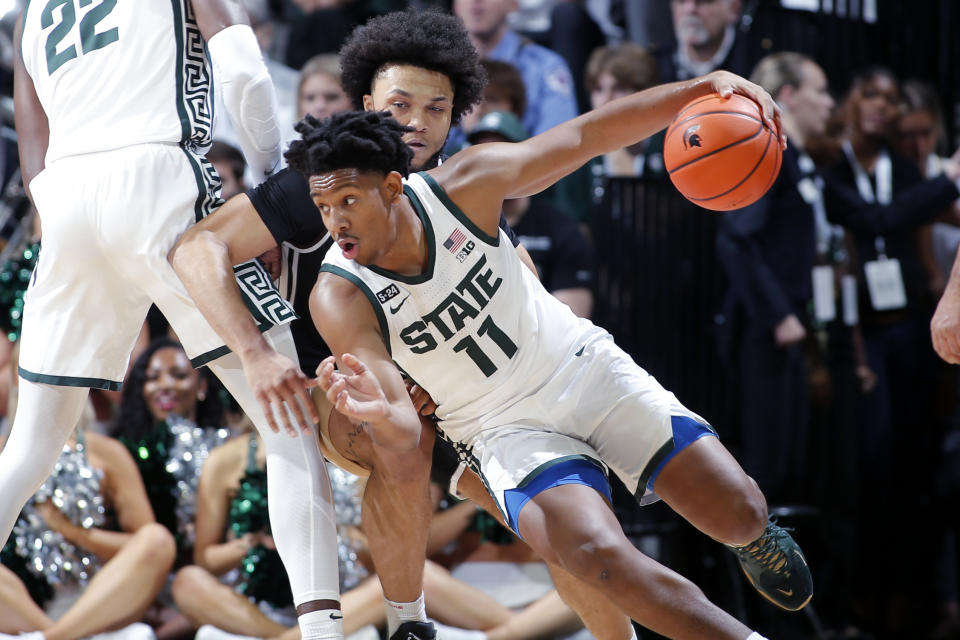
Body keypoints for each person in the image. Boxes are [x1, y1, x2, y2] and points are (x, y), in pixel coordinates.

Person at [301, 77, 812, 640]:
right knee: (594, 554)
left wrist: (696, 91)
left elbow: (586, 137)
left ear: (393, 187)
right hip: (500, 429)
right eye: (323, 206)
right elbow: (402, 433)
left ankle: (756, 534)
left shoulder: (467, 183)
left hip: (581, 367)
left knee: (738, 511)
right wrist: (376, 413)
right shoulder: (338, 295)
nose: (335, 222)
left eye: (348, 200)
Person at [3, 3, 350, 640]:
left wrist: (56, 208)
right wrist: (271, 178)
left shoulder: (30, 9)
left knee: (27, 448)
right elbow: (243, 70)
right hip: (158, 173)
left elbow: (33, 137)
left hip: (66, 197)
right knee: (288, 422)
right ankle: (324, 632)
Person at [1, 383, 175, 640]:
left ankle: (53, 637)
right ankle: (58, 634)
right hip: (21, 601)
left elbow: (142, 545)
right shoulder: (4, 452)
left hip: (98, 596)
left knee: (157, 540)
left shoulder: (107, 452)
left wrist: (72, 532)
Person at [466, 110, 594, 318]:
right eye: (482, 154)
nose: (489, 165)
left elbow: (573, 318)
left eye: (500, 153)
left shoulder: (561, 229)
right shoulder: (455, 223)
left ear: (526, 160)